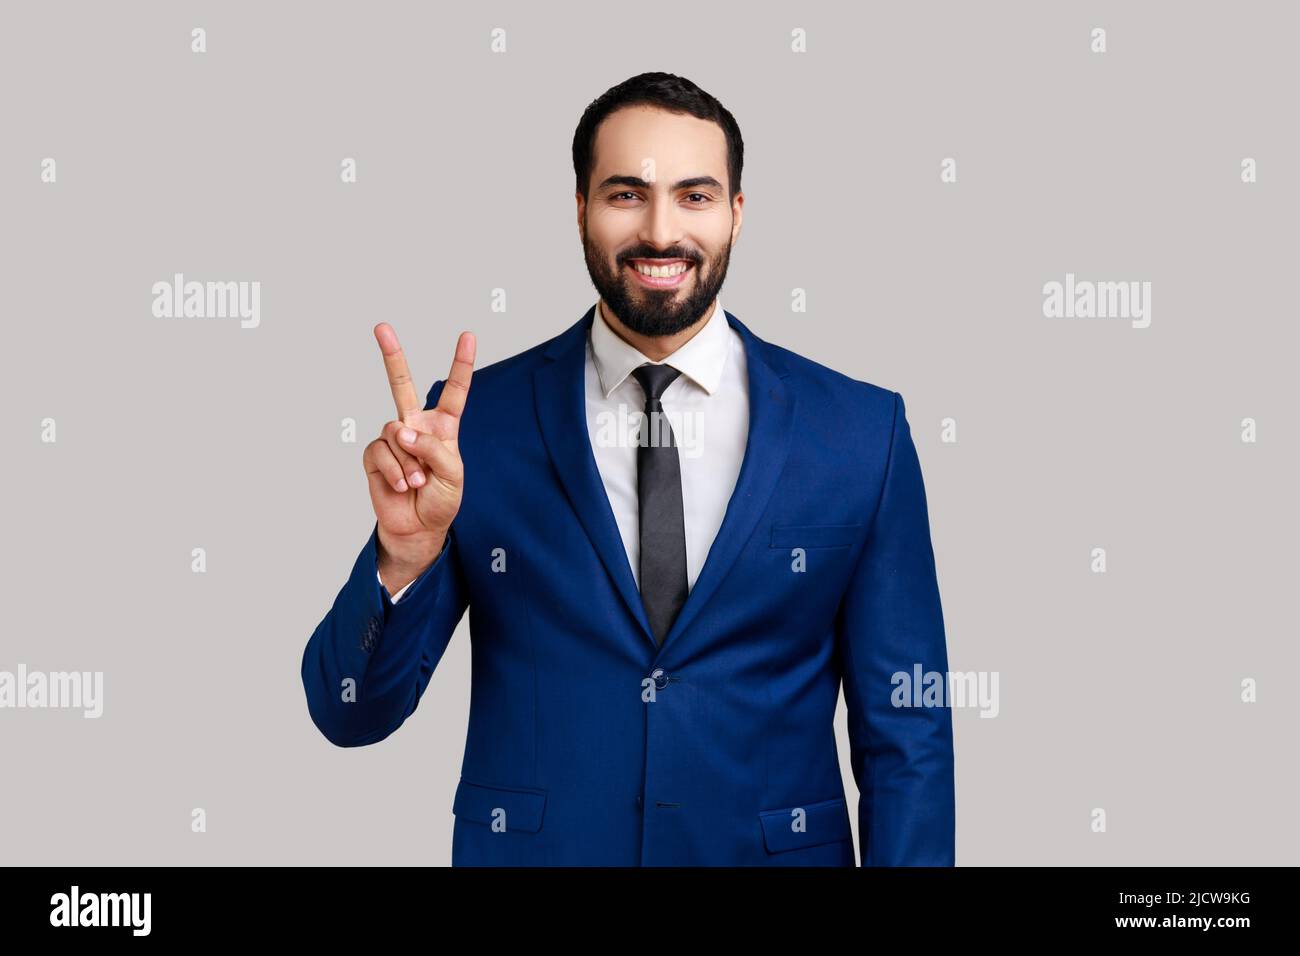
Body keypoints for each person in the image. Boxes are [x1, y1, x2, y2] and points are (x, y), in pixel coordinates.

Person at [301, 72, 954, 866]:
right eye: (624, 194)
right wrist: (405, 556)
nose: (659, 230)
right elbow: (350, 714)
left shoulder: (859, 432)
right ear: (579, 207)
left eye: (695, 196)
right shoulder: (472, 427)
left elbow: (909, 736)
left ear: (737, 215)